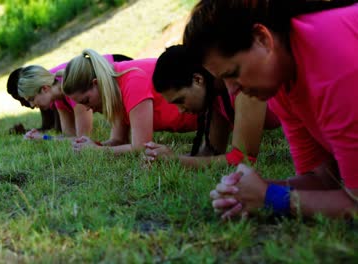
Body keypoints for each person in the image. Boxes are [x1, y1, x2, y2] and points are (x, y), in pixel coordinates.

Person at [183, 0, 358, 219]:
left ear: (262, 39)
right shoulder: (280, 81)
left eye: (233, 73)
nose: (232, 91)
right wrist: (248, 192)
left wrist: (270, 198)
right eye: (224, 80)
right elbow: (322, 179)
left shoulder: (333, 58)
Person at [144, 45, 280, 168]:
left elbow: (243, 158)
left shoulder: (241, 85)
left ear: (198, 79)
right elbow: (211, 153)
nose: (180, 110)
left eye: (181, 100)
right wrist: (163, 158)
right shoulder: (215, 96)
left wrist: (176, 160)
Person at [61, 49, 199, 154]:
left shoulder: (131, 81)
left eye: (86, 100)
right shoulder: (113, 87)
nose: (87, 109)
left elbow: (141, 147)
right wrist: (94, 145)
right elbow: (119, 140)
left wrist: (97, 151)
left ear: (96, 83)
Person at [7, 54, 133, 138]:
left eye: (31, 99)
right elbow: (70, 136)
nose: (32, 105)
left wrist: (44, 138)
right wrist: (44, 137)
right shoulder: (57, 95)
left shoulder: (73, 89)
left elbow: (83, 137)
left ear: (45, 88)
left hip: (127, 71)